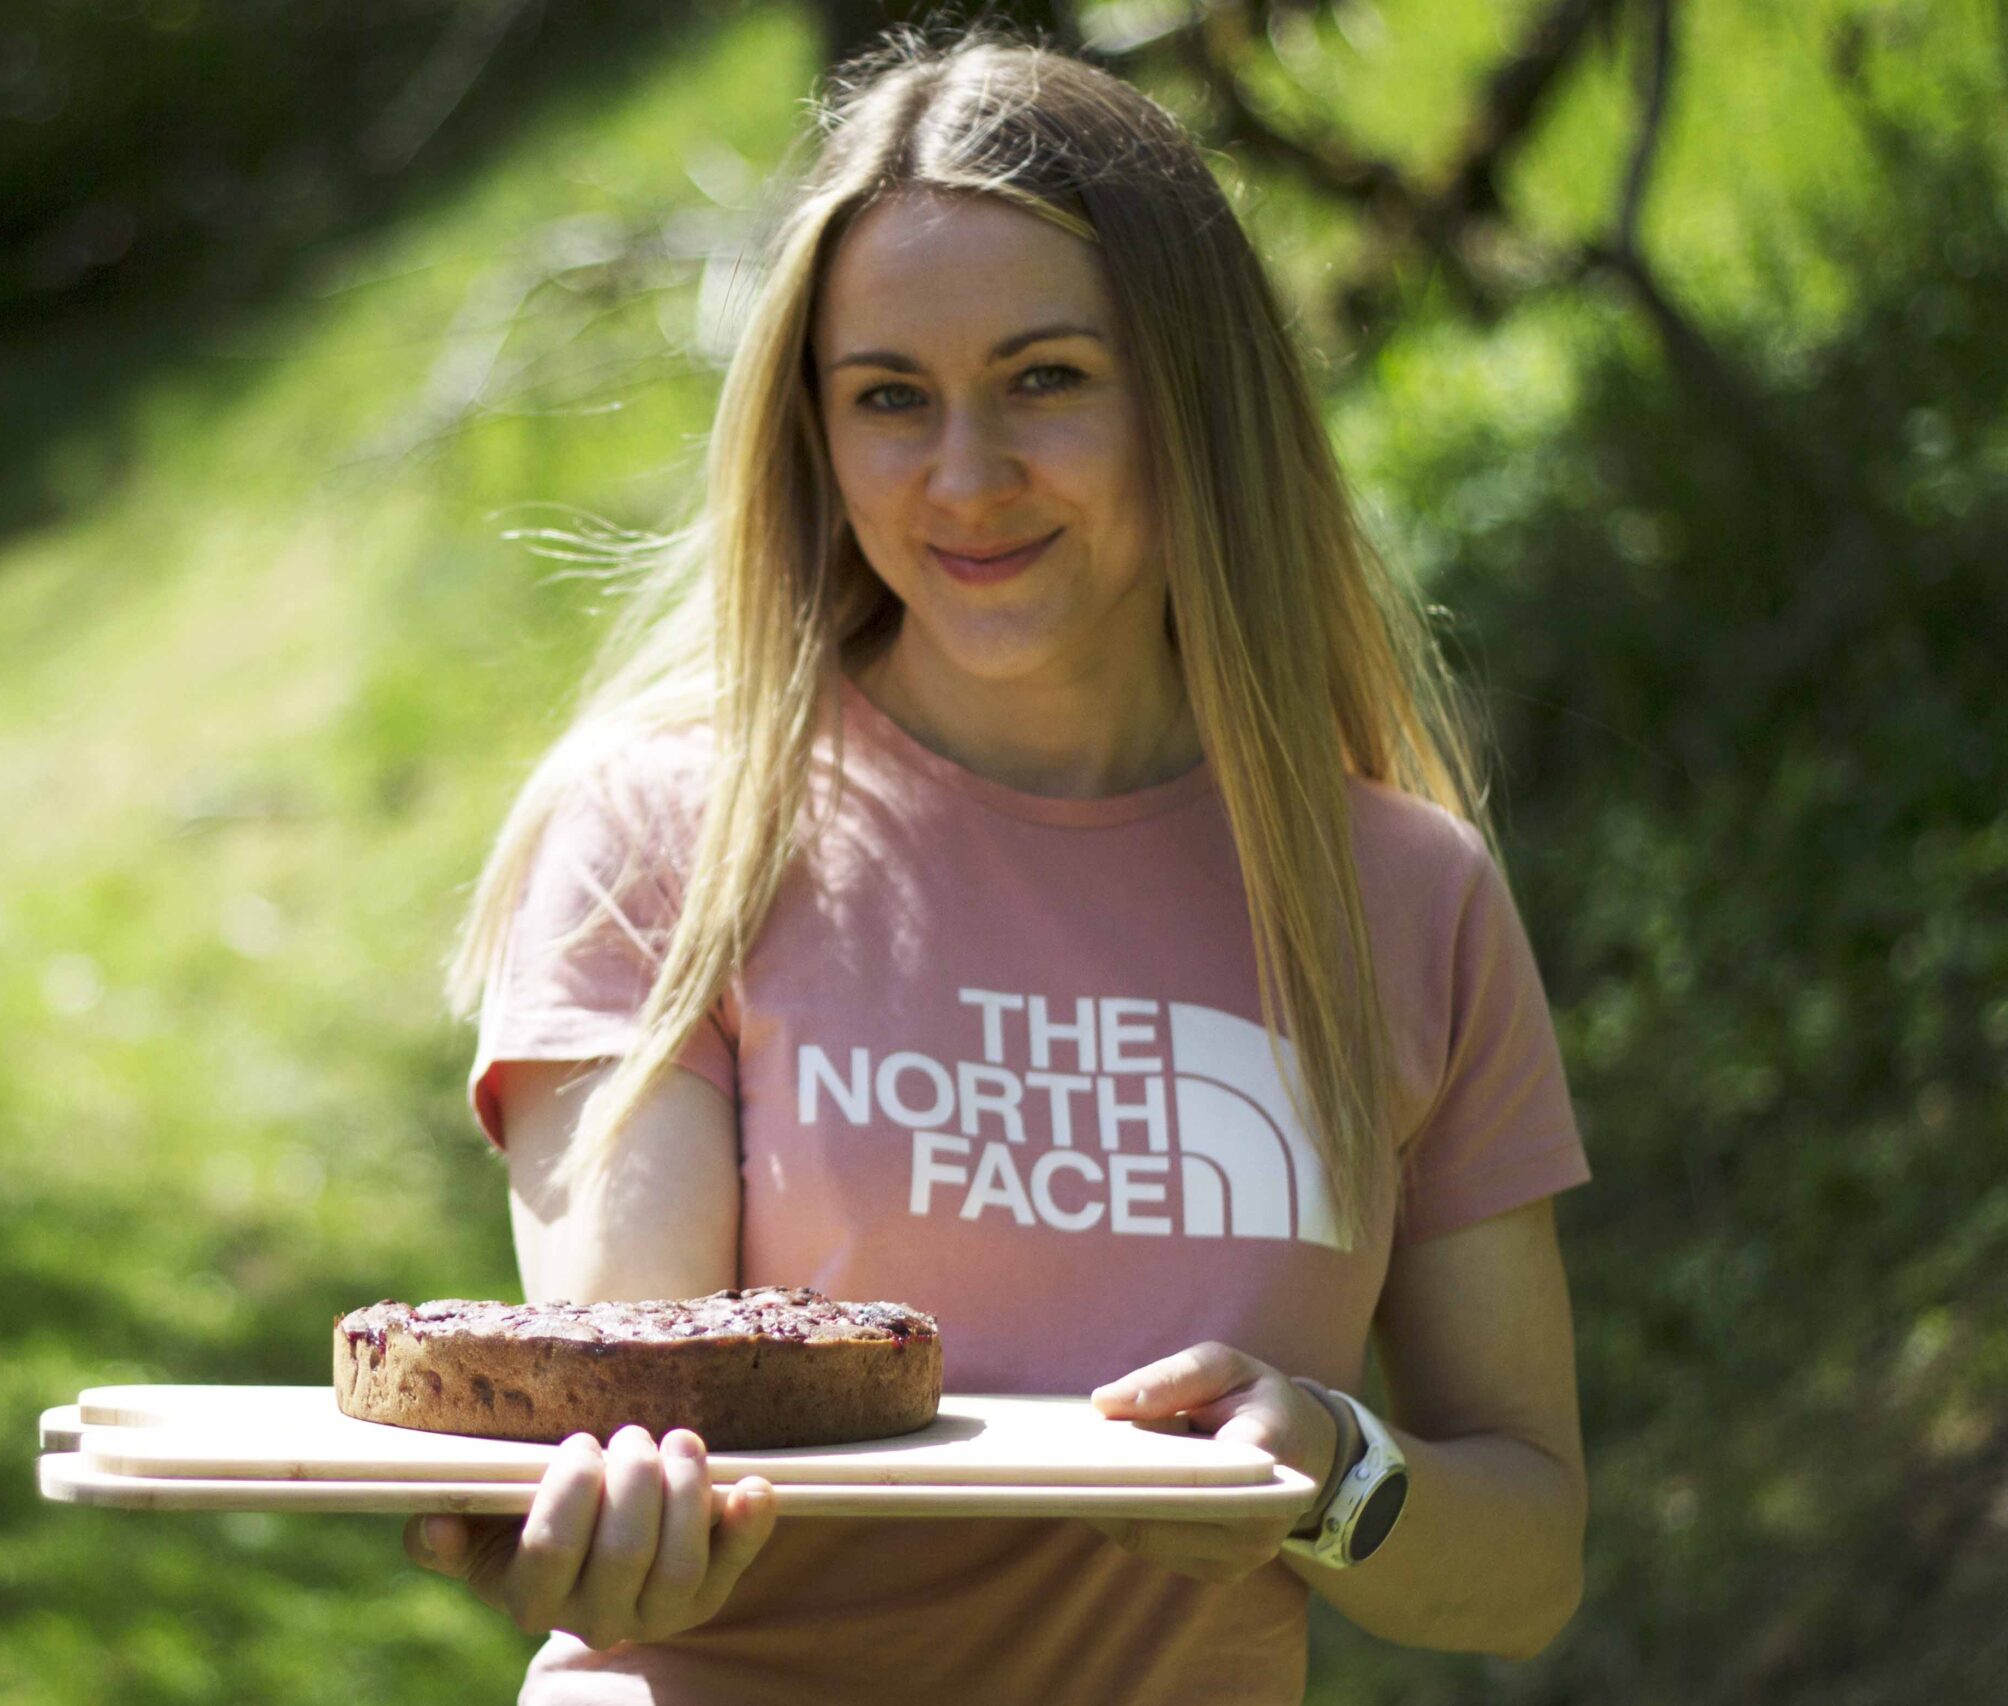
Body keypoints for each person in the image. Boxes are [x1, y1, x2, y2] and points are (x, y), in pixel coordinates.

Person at [404, 27, 1590, 1704]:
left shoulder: (1405, 895)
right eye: (891, 398)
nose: (966, 479)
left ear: (1195, 398)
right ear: (816, 432)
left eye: (1047, 378)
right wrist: (606, 1528)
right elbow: (624, 1403)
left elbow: (1528, 1553)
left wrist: (1333, 1477)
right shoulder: (667, 828)